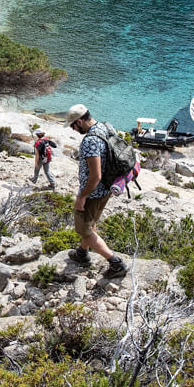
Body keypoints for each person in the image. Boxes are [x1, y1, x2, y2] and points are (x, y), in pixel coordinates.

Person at [65, 104, 127, 277]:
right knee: (91, 223)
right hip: (107, 188)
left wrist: (82, 197)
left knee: (84, 230)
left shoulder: (90, 140)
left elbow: (95, 175)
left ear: (79, 121)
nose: (73, 129)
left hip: (92, 192)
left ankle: (116, 263)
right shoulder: (106, 126)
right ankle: (82, 253)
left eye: (73, 126)